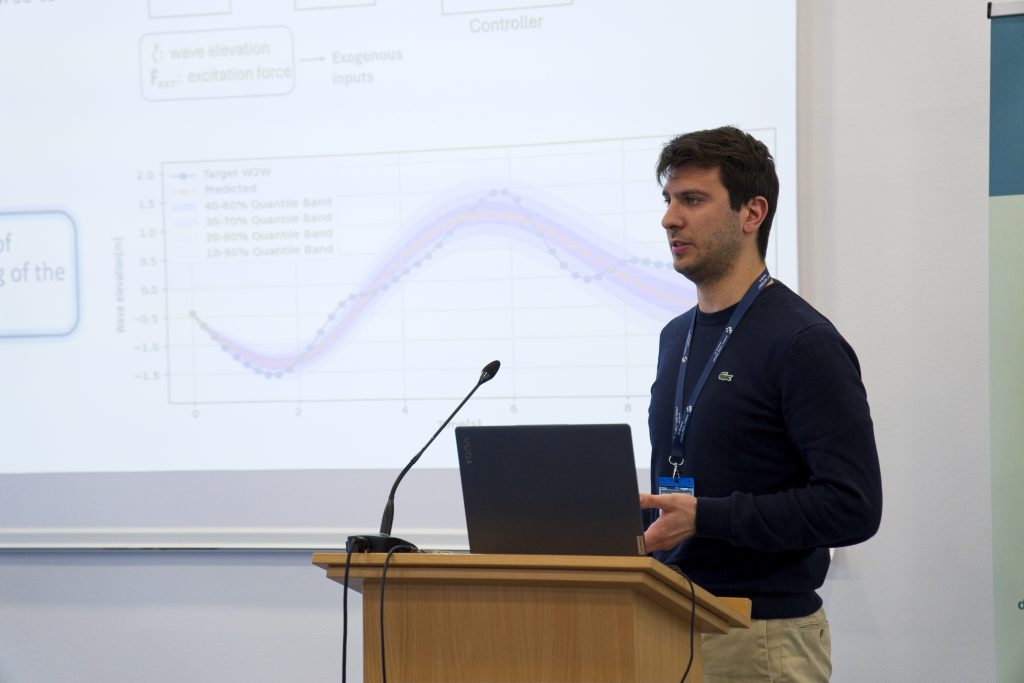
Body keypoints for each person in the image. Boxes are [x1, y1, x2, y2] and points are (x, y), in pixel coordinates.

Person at [639, 126, 882, 682]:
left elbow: (853, 506)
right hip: (667, 620)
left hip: (760, 638)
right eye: (668, 200)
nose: (670, 219)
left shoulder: (803, 342)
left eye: (692, 200)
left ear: (752, 213)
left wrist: (706, 517)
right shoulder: (675, 336)